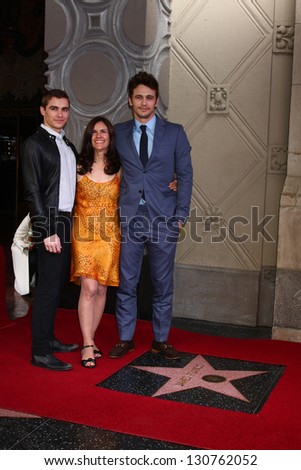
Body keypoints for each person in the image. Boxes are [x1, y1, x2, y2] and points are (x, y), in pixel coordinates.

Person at [109, 71, 193, 360]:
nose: (144, 103)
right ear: (130, 101)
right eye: (138, 97)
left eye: (149, 97)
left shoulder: (175, 132)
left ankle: (161, 339)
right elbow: (106, 167)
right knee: (127, 283)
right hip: (130, 219)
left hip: (164, 218)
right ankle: (125, 338)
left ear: (156, 101)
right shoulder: (117, 133)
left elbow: (185, 174)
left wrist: (180, 215)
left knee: (162, 283)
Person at [21, 89, 79, 371]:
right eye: (54, 108)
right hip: (51, 222)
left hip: (66, 221)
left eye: (65, 109)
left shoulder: (65, 143)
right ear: (42, 110)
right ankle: (40, 352)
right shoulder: (34, 144)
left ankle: (48, 338)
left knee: (56, 286)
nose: (60, 114)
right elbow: (33, 192)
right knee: (46, 288)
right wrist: (47, 232)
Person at [70, 116, 121, 368]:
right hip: (84, 234)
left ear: (110, 136)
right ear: (89, 137)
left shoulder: (119, 168)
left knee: (102, 289)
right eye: (94, 132)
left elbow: (140, 190)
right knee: (88, 288)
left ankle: (91, 338)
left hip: (110, 236)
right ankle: (87, 343)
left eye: (104, 131)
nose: (99, 135)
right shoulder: (78, 166)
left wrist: (172, 185)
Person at [11, 213, 37, 296]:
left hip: (40, 248)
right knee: (33, 260)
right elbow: (16, 238)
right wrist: (25, 245)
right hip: (25, 248)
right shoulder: (30, 218)